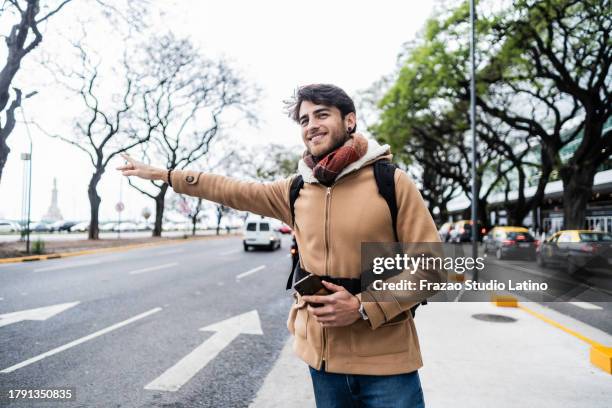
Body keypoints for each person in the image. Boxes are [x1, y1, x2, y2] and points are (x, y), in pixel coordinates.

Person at [117, 84, 440, 408]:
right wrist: (164, 174)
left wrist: (361, 305)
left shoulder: (391, 181)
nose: (311, 124)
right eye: (304, 119)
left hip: (387, 362)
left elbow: (433, 266)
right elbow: (230, 189)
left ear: (350, 121)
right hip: (323, 360)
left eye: (322, 114)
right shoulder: (296, 190)